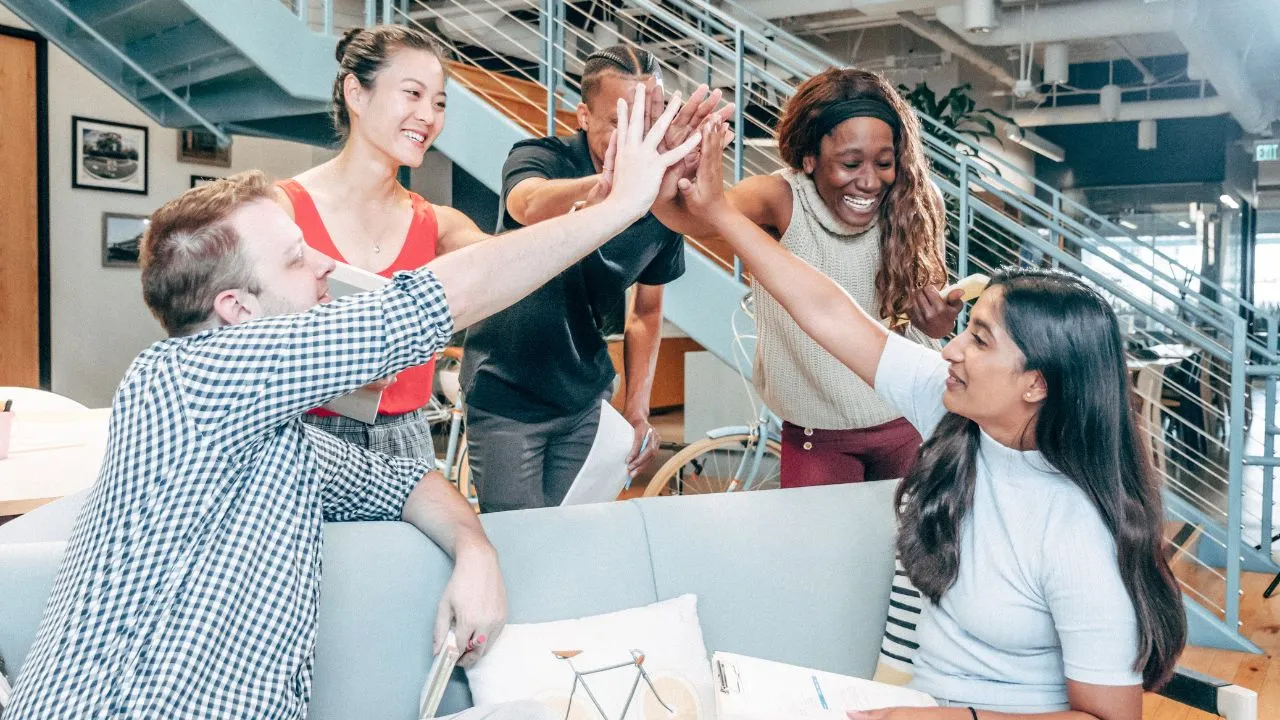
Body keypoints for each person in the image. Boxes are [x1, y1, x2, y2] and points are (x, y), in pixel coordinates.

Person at [4, 87, 701, 719]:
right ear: (237, 309)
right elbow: (426, 305)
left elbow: (406, 480)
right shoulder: (187, 379)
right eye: (295, 258)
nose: (326, 267)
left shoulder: (271, 436)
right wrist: (621, 205)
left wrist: (475, 548)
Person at [677, 124, 1187, 719]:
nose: (951, 349)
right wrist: (718, 213)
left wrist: (951, 718)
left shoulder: (1079, 529)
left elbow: (1111, 718)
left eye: (980, 339)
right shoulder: (952, 412)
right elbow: (828, 311)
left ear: (1037, 384)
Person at [652, 67, 961, 489]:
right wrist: (668, 168)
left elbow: (930, 326)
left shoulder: (916, 202)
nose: (869, 181)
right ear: (809, 158)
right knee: (816, 535)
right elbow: (687, 217)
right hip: (819, 435)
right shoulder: (779, 198)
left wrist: (939, 324)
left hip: (912, 418)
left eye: (884, 163)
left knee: (910, 535)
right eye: (850, 163)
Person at [460, 45, 732, 512]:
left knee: (577, 535)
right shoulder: (543, 156)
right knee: (518, 539)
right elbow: (526, 203)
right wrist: (611, 189)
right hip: (507, 394)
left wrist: (637, 410)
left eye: (647, 123)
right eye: (619, 123)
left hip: (585, 399)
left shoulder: (661, 201)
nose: (635, 139)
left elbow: (647, 312)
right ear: (583, 116)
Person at [272, 26, 479, 459]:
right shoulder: (280, 210)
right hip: (302, 436)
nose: (429, 116)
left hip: (406, 441)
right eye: (413, 94)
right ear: (356, 93)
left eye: (439, 103)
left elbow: (512, 267)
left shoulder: (439, 224)